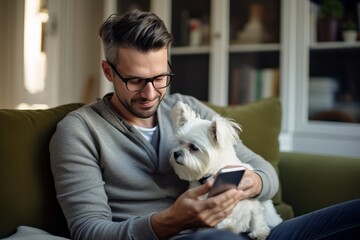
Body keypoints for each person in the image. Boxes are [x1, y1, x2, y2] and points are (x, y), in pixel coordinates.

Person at [49, 10, 360, 240]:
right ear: (108, 70)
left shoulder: (188, 108)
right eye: (134, 80)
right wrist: (171, 221)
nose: (150, 93)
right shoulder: (79, 131)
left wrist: (253, 183)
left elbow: (266, 173)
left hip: (252, 230)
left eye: (159, 78)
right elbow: (89, 232)